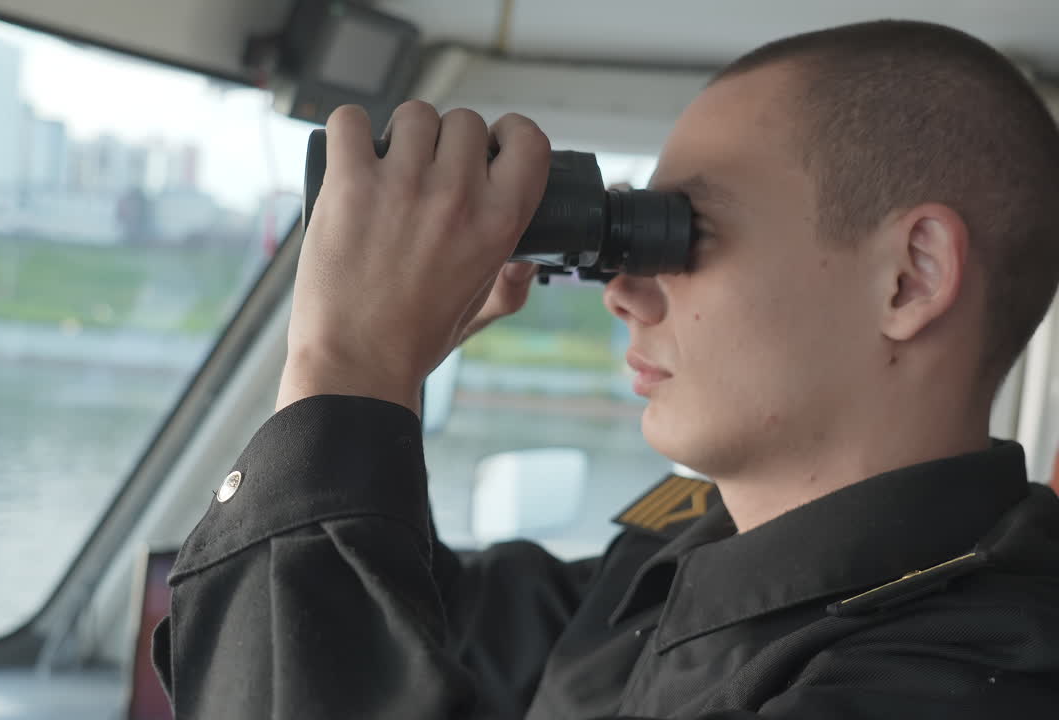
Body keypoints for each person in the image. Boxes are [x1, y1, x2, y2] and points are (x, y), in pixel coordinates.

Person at [151, 19, 1059, 719]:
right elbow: (437, 632)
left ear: (911, 276)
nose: (619, 290)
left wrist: (346, 361)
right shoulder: (691, 544)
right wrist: (388, 374)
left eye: (684, 229)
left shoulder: (955, 684)